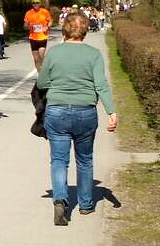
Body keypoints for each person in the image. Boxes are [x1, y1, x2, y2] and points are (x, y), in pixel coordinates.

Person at [36, 12, 118, 226]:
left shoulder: (54, 53)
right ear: (85, 30)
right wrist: (111, 111)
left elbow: (42, 83)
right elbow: (101, 85)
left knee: (59, 160)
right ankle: (85, 204)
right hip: (85, 112)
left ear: (65, 29)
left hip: (56, 111)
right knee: (85, 159)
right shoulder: (94, 54)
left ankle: (60, 199)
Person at [24, 0, 53, 72]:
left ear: (40, 4)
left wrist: (48, 27)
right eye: (34, 3)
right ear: (32, 4)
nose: (35, 4)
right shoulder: (29, 13)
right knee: (36, 59)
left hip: (43, 37)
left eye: (37, 3)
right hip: (33, 38)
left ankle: (43, 71)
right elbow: (25, 25)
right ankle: (40, 73)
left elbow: (50, 20)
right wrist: (28, 26)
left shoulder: (44, 12)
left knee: (41, 56)